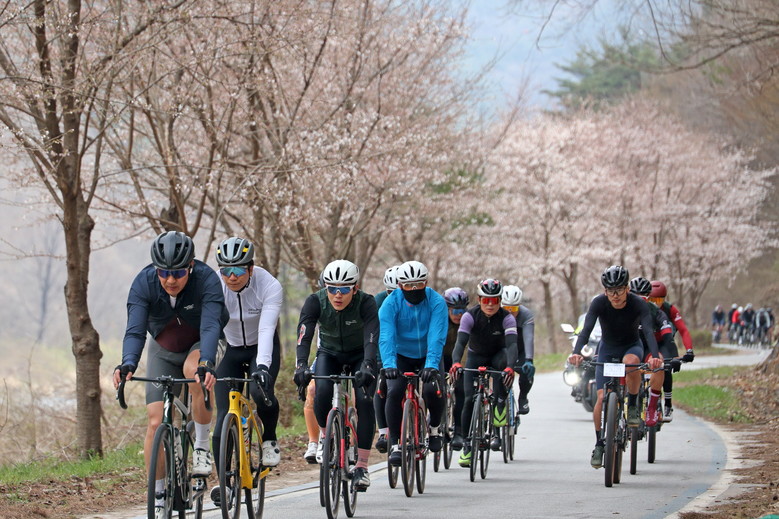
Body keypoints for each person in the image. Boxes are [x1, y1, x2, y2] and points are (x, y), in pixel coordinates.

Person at [113, 231, 228, 517]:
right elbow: (135, 331)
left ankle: (201, 446)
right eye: (164, 273)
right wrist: (128, 363)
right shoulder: (144, 283)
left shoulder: (207, 280)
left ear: (191, 266)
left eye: (177, 272)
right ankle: (159, 492)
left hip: (202, 343)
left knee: (193, 371)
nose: (170, 280)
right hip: (163, 348)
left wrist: (207, 362)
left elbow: (211, 326)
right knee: (155, 423)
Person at [210, 237, 283, 506]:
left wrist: (262, 366)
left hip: (259, 348)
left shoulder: (269, 285)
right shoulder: (215, 285)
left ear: (251, 268)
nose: (231, 277)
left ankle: (270, 439)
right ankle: (224, 483)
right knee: (222, 416)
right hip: (230, 349)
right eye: (225, 270)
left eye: (238, 270)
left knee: (259, 392)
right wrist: (207, 361)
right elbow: (210, 326)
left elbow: (266, 329)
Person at [293, 259, 378, 491]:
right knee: (321, 391)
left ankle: (362, 466)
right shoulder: (315, 301)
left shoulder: (366, 303)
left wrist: (368, 365)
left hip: (360, 354)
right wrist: (300, 365)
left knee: (364, 400)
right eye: (332, 289)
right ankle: (326, 435)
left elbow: (372, 337)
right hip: (329, 353)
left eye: (344, 290)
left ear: (355, 288)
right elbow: (304, 334)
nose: (337, 295)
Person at [567, 265, 663, 470]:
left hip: (631, 346)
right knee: (601, 397)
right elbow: (586, 329)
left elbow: (648, 331)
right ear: (605, 291)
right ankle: (599, 444)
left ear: (627, 288)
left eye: (619, 289)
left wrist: (655, 357)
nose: (615, 295)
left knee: (630, 364)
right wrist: (576, 352)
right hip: (607, 349)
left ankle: (634, 404)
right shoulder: (598, 303)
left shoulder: (638, 304)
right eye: (611, 290)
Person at [379, 260, 448, 467]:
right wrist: (389, 364)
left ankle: (434, 429)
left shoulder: (437, 302)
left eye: (419, 284)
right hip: (401, 355)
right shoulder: (390, 304)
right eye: (409, 285)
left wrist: (432, 364)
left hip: (428, 354)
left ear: (426, 282)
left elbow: (436, 336)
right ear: (400, 285)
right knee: (394, 391)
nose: (414, 289)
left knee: (432, 390)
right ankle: (395, 444)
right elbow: (386, 336)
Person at [449, 279, 517, 467]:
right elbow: (460, 343)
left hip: (498, 355)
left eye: (494, 300)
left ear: (500, 301)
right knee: (468, 399)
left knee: (503, 368)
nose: (490, 305)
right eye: (486, 300)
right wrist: (456, 362)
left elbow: (512, 345)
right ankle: (467, 446)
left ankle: (500, 403)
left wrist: (510, 367)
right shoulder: (469, 316)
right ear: (479, 300)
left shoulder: (507, 318)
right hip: (476, 356)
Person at [648, 280, 695, 422]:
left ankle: (668, 403)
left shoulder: (670, 310)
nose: (656, 304)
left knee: (666, 366)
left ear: (664, 299)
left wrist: (689, 350)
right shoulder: (643, 307)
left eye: (659, 300)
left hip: (664, 342)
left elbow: (683, 330)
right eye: (652, 300)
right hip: (646, 343)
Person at [374, 265, 400, 453]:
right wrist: (377, 359)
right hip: (385, 349)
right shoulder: (379, 301)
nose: (394, 297)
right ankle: (383, 432)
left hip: (406, 350)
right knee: (381, 386)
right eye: (390, 292)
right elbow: (374, 332)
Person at [500, 285, 535, 415]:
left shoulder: (526, 315)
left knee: (527, 370)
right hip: (502, 348)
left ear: (519, 306)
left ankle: (523, 397)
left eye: (514, 309)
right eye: (506, 309)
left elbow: (529, 337)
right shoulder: (495, 314)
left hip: (520, 349)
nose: (510, 313)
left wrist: (529, 359)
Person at [442, 287, 469, 450]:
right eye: (455, 311)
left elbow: (469, 349)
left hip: (460, 360)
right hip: (442, 357)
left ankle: (458, 431)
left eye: (462, 311)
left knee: (461, 390)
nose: (459, 315)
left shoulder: (469, 321)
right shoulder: (440, 320)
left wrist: (461, 366)